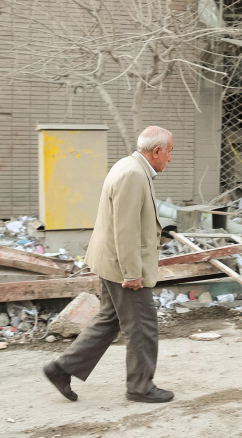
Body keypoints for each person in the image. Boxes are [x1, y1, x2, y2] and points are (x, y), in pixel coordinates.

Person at [43, 126, 174, 403]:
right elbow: (124, 229)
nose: (170, 159)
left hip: (111, 260)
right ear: (157, 151)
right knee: (143, 326)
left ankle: (62, 368)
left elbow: (131, 219)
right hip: (121, 265)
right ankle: (140, 386)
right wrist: (132, 273)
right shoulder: (133, 174)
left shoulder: (130, 166)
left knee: (110, 319)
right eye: (170, 152)